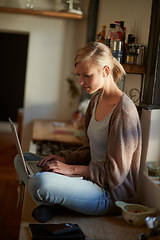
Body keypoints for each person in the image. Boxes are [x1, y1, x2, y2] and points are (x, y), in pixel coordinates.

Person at [14, 42, 142, 222]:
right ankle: (53, 204)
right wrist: (64, 159)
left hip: (108, 194)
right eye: (79, 76)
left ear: (106, 71)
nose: (81, 82)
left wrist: (71, 169)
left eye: (87, 76)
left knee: (39, 183)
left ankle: (51, 204)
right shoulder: (96, 100)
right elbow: (89, 150)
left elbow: (115, 175)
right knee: (22, 160)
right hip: (88, 180)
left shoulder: (124, 113)